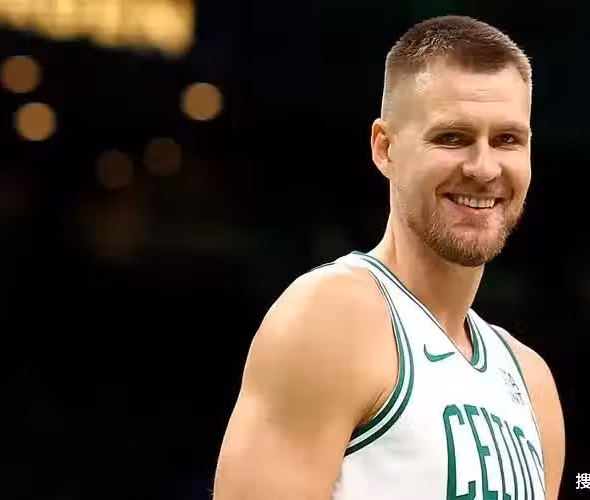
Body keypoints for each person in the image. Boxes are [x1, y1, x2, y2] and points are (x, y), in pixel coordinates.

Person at [213, 15, 565, 500]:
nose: (484, 168)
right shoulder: (333, 317)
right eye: (452, 137)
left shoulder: (532, 383)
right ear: (385, 149)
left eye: (507, 140)